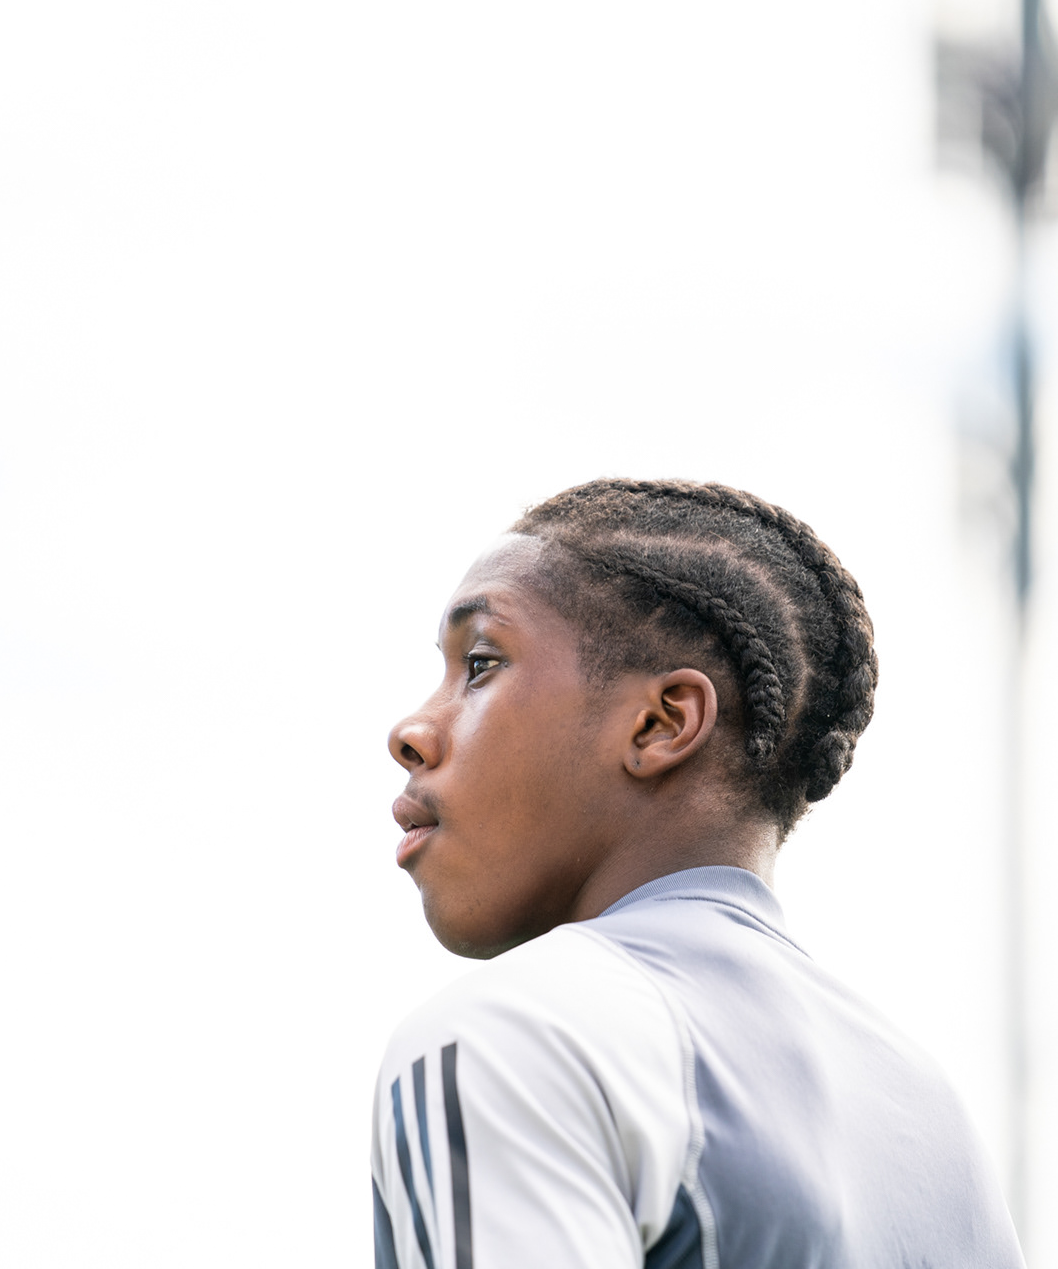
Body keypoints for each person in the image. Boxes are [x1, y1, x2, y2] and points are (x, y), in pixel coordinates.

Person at [371, 479, 1023, 1269]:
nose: (411, 731)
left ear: (662, 723)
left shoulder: (511, 1036)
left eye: (480, 664)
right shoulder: (931, 1116)